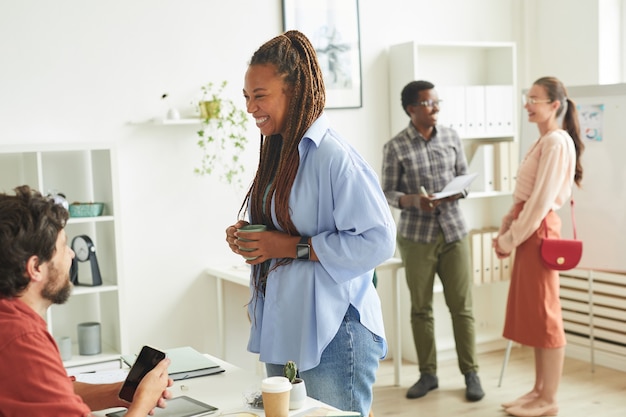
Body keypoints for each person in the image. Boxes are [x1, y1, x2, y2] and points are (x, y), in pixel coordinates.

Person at [224, 30, 396, 416]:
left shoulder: (333, 157)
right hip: (287, 329)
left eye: (260, 95)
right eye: (247, 97)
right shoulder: (278, 154)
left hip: (335, 335)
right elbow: (278, 229)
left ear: (294, 90)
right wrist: (248, 239)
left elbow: (379, 241)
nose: (251, 107)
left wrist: (284, 246)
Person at [0, 185, 173, 417]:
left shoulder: (10, 319)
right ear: (35, 268)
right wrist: (142, 403)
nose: (71, 255)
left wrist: (121, 393)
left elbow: (56, 391)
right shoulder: (22, 339)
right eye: (63, 247)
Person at [381, 80, 485, 402]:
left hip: (454, 232)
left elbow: (464, 181)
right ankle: (428, 374)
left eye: (437, 102)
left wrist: (456, 190)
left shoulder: (452, 137)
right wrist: (414, 200)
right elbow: (387, 193)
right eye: (428, 103)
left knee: (462, 307)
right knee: (421, 308)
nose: (436, 108)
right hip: (417, 238)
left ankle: (471, 374)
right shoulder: (396, 146)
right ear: (412, 109)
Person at [494, 76, 584, 417]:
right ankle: (538, 390)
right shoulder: (545, 140)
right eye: (527, 98)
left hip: (539, 232)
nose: (528, 104)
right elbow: (525, 197)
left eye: (535, 99)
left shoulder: (557, 142)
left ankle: (549, 399)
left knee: (546, 316)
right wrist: (508, 226)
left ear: (555, 105)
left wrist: (509, 237)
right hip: (530, 230)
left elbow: (541, 202)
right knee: (534, 314)